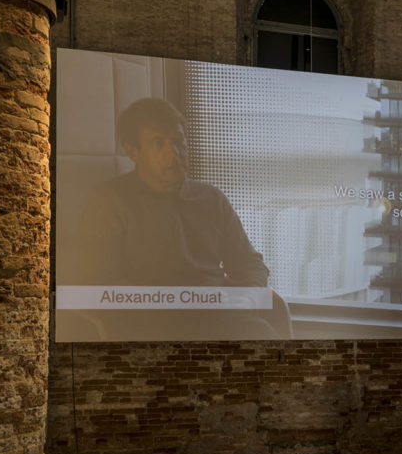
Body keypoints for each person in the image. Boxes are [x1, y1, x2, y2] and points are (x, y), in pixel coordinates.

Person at [68, 97, 286, 340]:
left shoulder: (211, 199)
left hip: (218, 319)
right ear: (133, 151)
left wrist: (248, 296)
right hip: (150, 325)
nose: (173, 153)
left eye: (178, 141)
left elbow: (249, 263)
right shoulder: (110, 201)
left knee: (264, 336)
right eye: (158, 143)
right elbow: (96, 280)